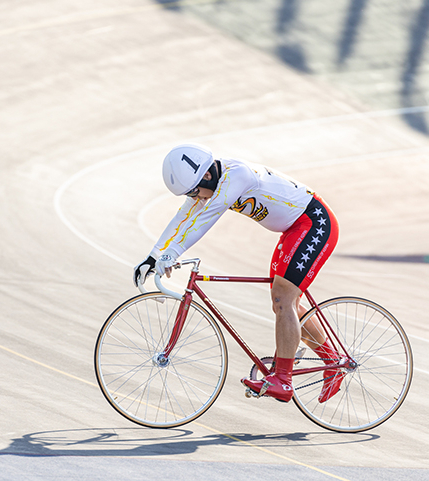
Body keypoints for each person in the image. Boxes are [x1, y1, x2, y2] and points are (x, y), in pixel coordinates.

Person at [133, 143, 342, 403]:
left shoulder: (237, 176)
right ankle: (331, 362)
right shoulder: (210, 181)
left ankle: (284, 381)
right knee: (283, 303)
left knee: (283, 300)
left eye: (195, 192)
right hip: (293, 229)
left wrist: (172, 254)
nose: (197, 198)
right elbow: (184, 216)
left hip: (314, 223)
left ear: (207, 176)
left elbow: (205, 218)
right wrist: (154, 256)